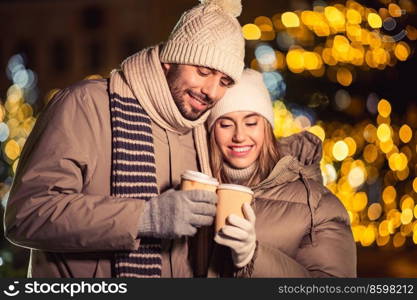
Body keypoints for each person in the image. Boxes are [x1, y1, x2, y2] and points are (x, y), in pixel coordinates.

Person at [4, 0, 245, 278]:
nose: (212, 91)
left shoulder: (202, 132)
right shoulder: (86, 104)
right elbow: (27, 215)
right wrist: (145, 218)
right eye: (203, 71)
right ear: (170, 61)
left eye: (225, 81)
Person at [206, 69, 357, 277]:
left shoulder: (317, 205)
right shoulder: (198, 187)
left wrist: (253, 258)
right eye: (225, 124)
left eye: (251, 123)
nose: (239, 135)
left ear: (267, 128)